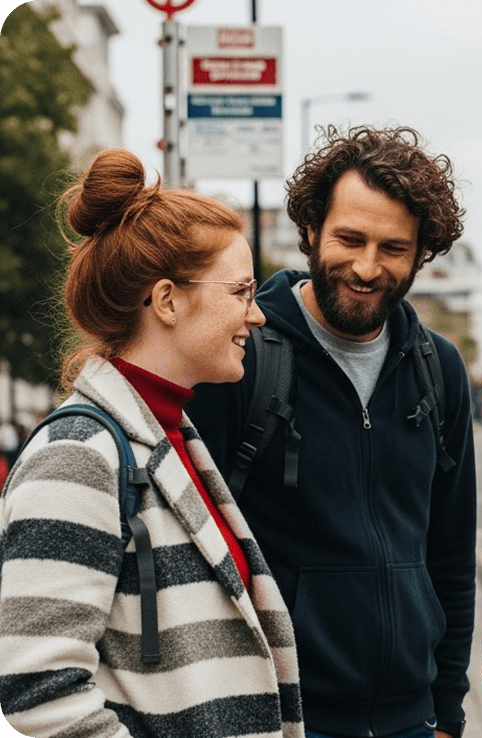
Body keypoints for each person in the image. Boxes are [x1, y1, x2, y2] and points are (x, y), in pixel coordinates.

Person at [0, 149, 303, 737]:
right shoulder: (79, 454)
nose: (258, 315)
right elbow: (33, 693)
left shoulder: (170, 437)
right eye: (241, 291)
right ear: (167, 300)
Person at [186, 125, 477, 738]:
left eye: (394, 248)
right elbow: (192, 553)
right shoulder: (241, 360)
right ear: (313, 228)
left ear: (421, 252)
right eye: (350, 238)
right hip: (280, 717)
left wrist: (448, 710)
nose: (368, 268)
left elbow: (450, 554)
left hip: (413, 720)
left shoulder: (439, 369)